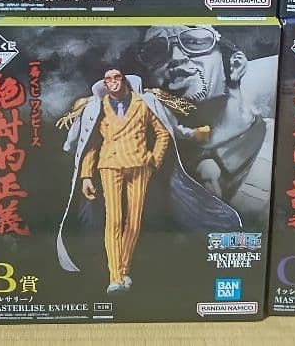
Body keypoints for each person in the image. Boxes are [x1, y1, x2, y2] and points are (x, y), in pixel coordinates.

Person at [57, 68, 239, 294]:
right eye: (108, 79)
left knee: (134, 221)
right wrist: (86, 175)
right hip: (109, 165)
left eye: (116, 78)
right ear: (104, 84)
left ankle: (123, 270)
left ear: (124, 80)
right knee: (114, 220)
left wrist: (154, 159)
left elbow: (163, 133)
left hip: (140, 165)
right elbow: (92, 144)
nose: (112, 82)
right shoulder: (97, 108)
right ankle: (115, 277)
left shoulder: (143, 103)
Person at [139, 24, 276, 227]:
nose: (175, 57)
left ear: (235, 66)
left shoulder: (287, 146)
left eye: (195, 42)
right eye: (156, 52)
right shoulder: (149, 169)